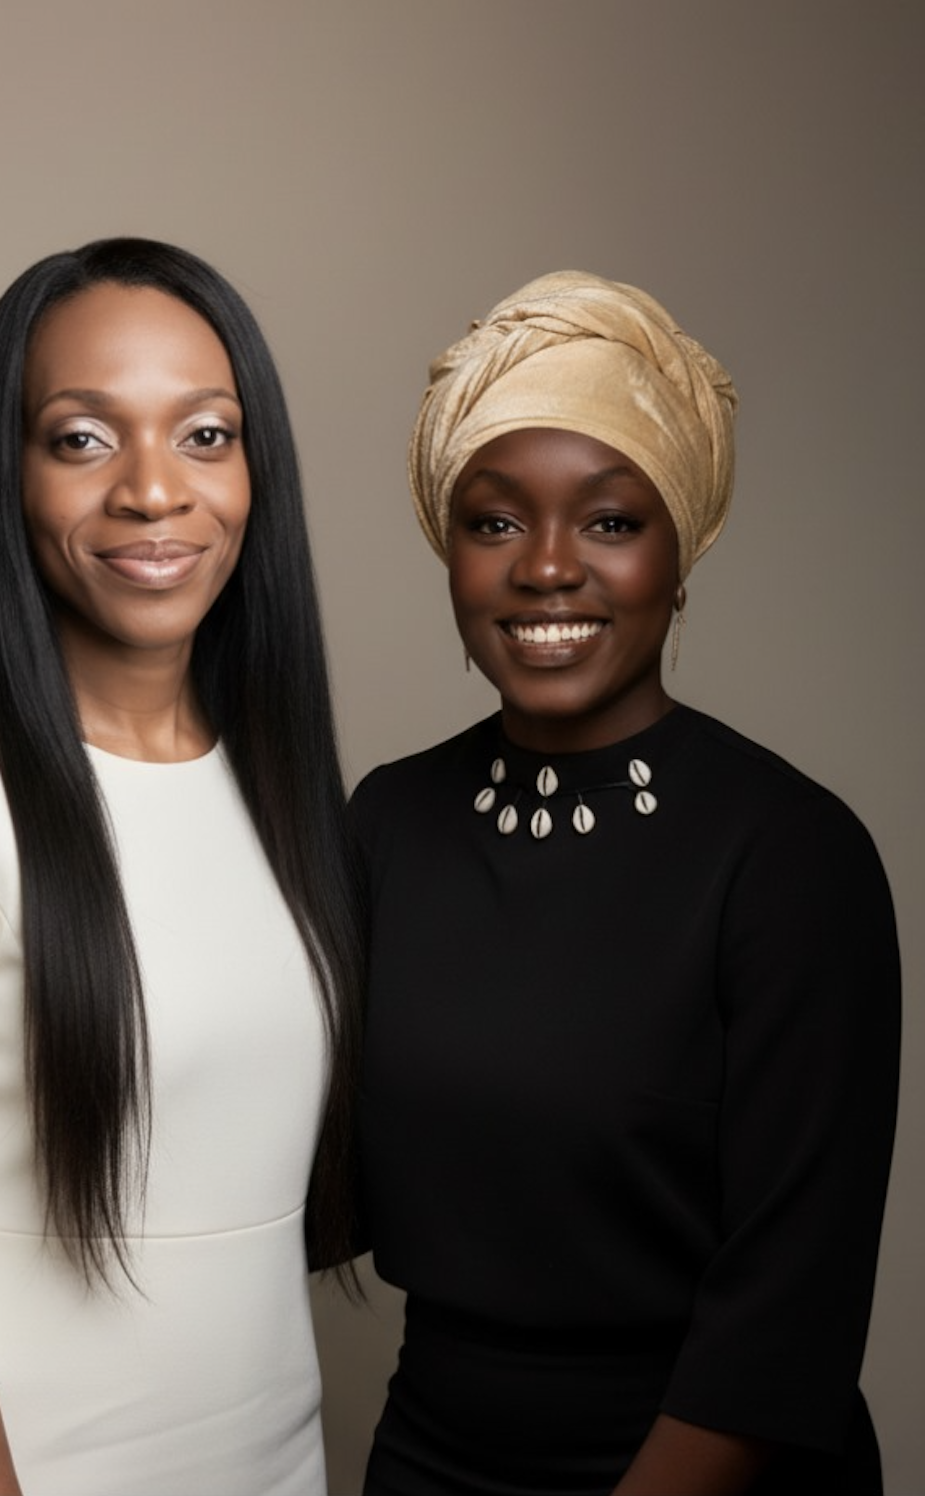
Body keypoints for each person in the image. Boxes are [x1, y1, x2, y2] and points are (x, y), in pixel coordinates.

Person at [0, 237, 361, 1496]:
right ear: (6, 476)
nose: (154, 490)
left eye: (205, 435)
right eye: (82, 438)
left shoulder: (280, 789)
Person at [352, 271, 900, 1496]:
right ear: (450, 554)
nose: (546, 567)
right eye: (494, 522)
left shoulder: (790, 854)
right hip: (429, 1455)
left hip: (703, 1463)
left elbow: (786, 1318)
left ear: (678, 553)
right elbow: (302, 1186)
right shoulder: (387, 822)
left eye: (607, 520)